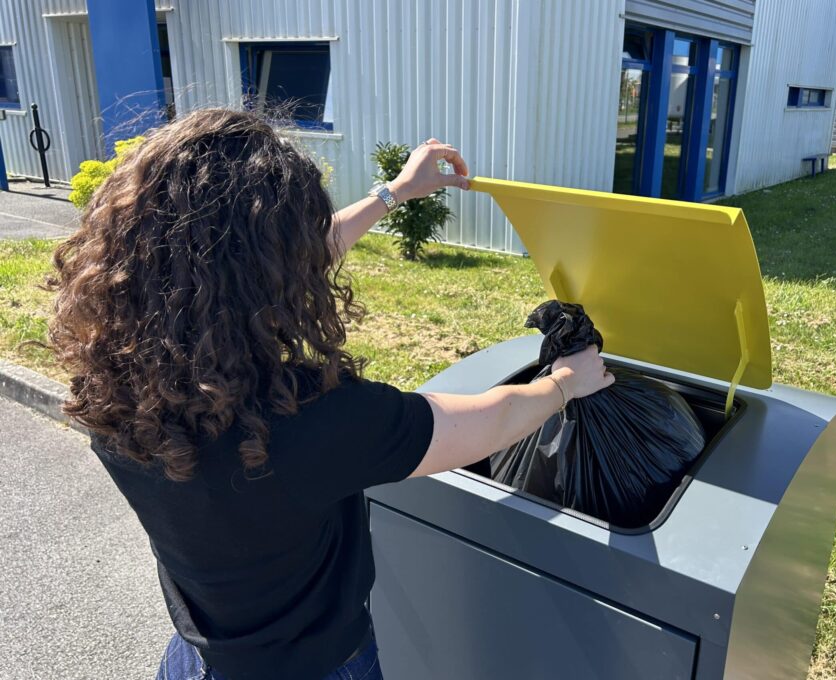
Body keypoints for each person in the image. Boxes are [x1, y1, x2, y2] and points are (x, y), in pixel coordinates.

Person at [47, 108, 613, 680]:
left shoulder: (110, 388)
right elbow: (484, 424)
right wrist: (566, 383)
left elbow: (256, 269)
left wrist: (394, 194)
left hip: (195, 659)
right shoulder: (309, 421)